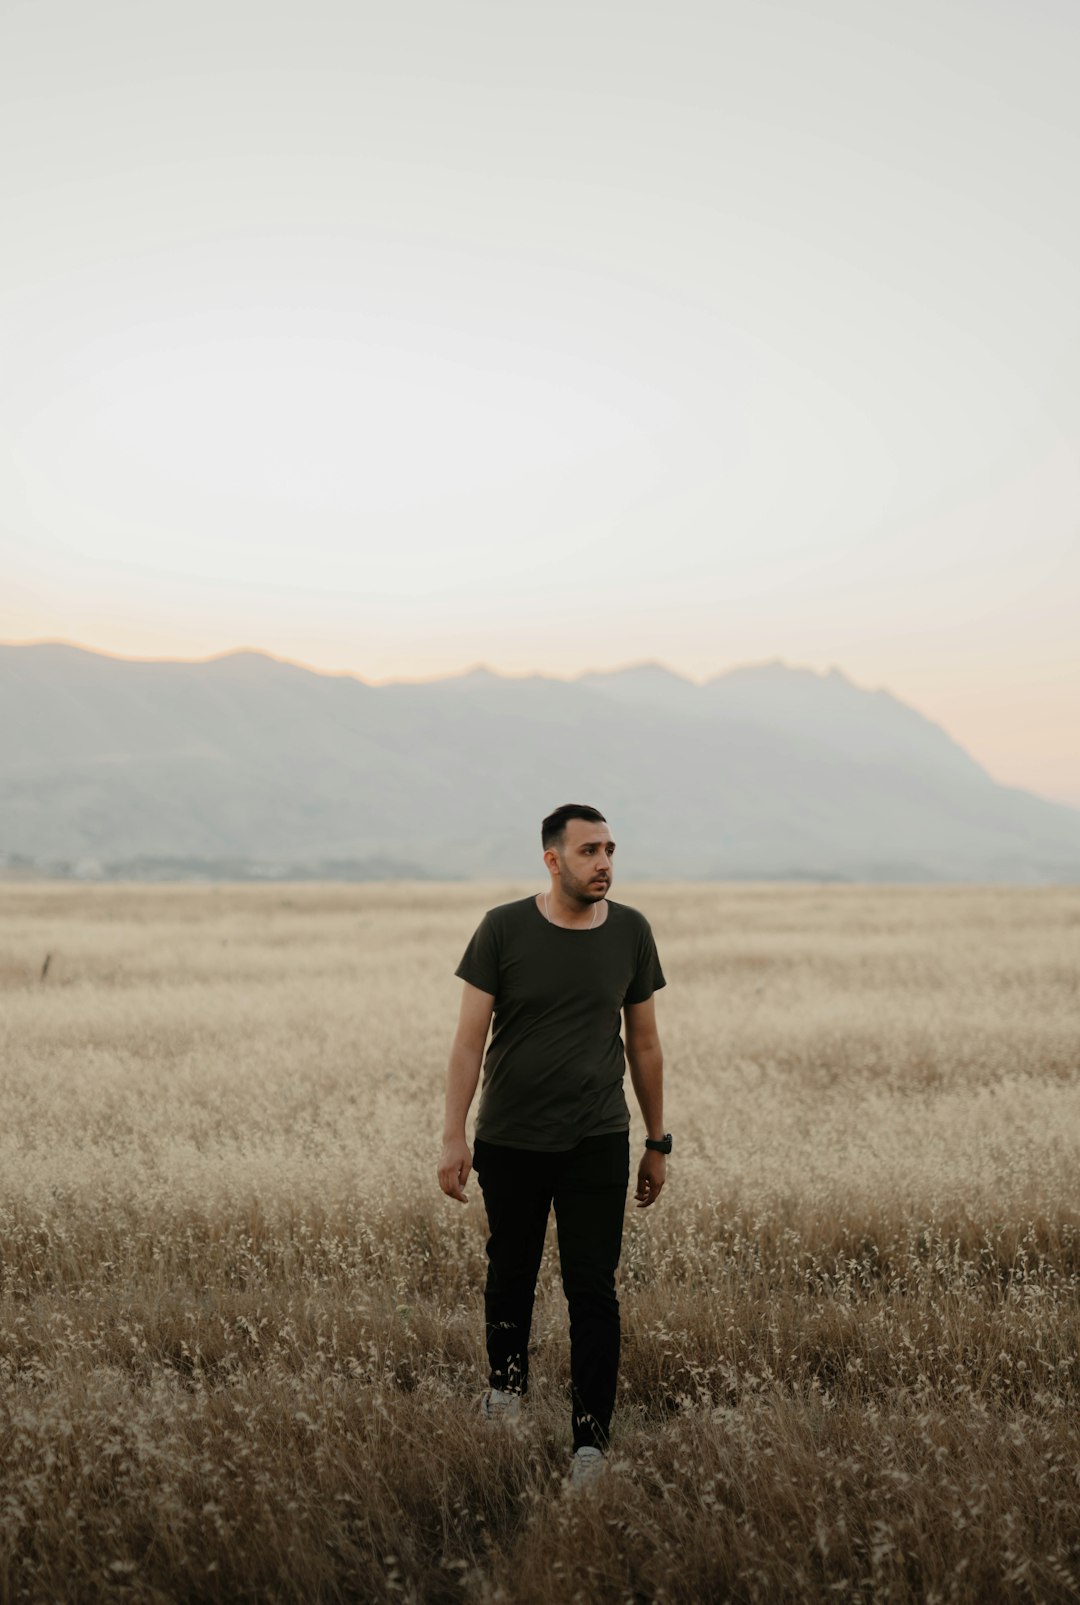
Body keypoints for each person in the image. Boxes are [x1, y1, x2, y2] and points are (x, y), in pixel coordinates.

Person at [437, 803, 671, 1488]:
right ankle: (506, 1393)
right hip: (510, 1137)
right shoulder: (501, 929)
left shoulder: (631, 930)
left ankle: (590, 1444)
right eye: (589, 851)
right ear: (552, 859)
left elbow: (646, 1043)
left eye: (610, 849)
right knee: (509, 1270)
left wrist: (658, 1140)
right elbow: (467, 1041)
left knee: (592, 1288)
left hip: (597, 1137)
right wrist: (454, 1134)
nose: (603, 862)